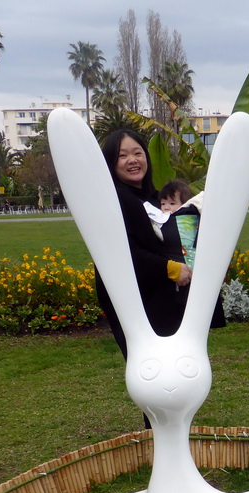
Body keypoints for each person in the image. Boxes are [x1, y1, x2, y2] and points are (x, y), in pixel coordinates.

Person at [98, 130, 224, 361]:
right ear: (110, 162)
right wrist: (169, 268)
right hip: (138, 300)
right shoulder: (113, 201)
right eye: (123, 156)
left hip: (173, 297)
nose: (133, 160)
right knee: (153, 365)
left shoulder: (160, 199)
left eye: (138, 153)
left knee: (183, 362)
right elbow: (120, 253)